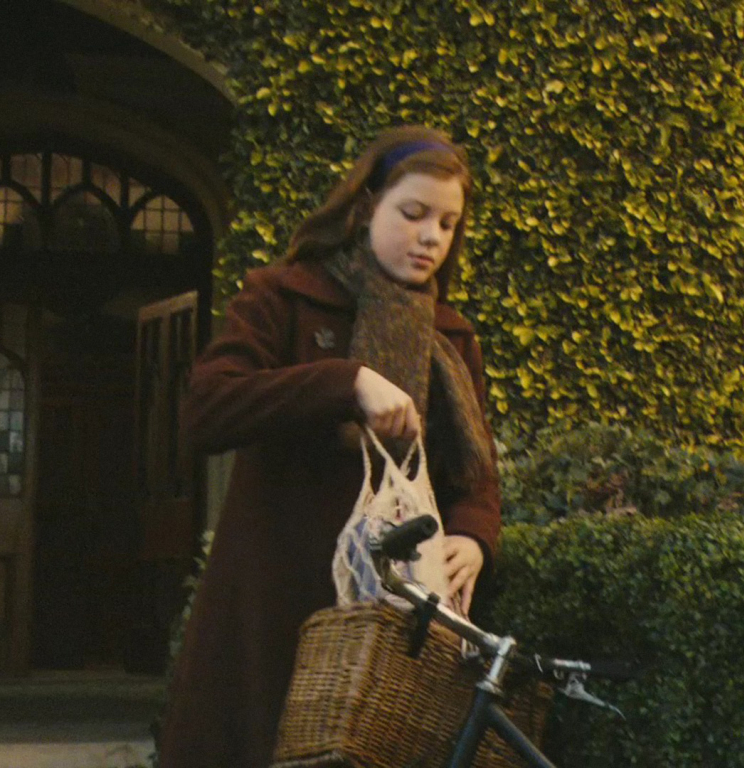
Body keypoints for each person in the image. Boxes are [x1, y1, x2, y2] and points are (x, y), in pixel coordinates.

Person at [157, 126, 502, 767]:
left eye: (448, 223)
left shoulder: (451, 338)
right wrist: (344, 382)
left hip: (390, 621)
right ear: (366, 206)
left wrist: (474, 536)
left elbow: (474, 475)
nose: (431, 237)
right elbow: (206, 411)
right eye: (413, 213)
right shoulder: (283, 297)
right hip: (273, 602)